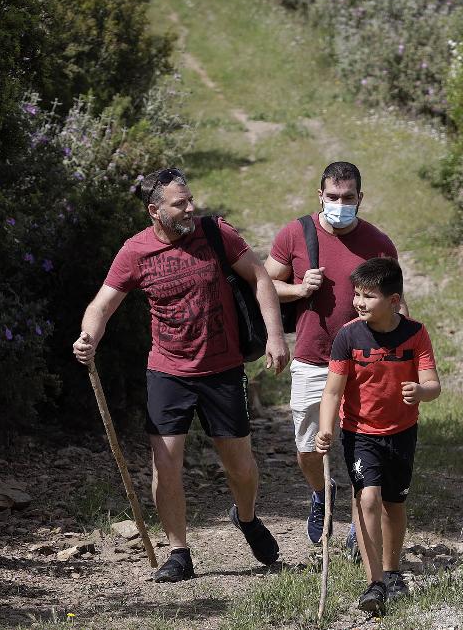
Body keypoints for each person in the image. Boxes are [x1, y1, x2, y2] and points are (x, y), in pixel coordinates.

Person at [72, 167, 290, 582]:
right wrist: (88, 338)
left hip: (223, 369)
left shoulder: (214, 233)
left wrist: (276, 337)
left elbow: (260, 277)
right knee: (165, 464)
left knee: (240, 467)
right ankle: (178, 551)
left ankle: (245, 518)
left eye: (190, 200)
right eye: (180, 203)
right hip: (167, 371)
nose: (190, 208)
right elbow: (102, 305)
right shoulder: (135, 252)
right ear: (155, 210)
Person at [265, 161, 400, 550]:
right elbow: (265, 284)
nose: (341, 204)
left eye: (349, 198)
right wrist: (298, 290)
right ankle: (323, 492)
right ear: (320, 196)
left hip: (365, 361)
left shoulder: (378, 243)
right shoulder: (296, 233)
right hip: (313, 356)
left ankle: (361, 524)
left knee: (364, 447)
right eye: (333, 197)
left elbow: (395, 301)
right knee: (309, 448)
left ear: (361, 198)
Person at [315, 257, 440, 616]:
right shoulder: (348, 335)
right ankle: (374, 583)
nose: (359, 302)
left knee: (394, 504)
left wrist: (421, 391)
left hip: (402, 432)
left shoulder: (415, 333)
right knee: (367, 498)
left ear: (394, 301)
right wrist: (326, 428)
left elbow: (433, 384)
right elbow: (332, 392)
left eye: (368, 296)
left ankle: (392, 570)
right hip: (360, 432)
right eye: (357, 294)